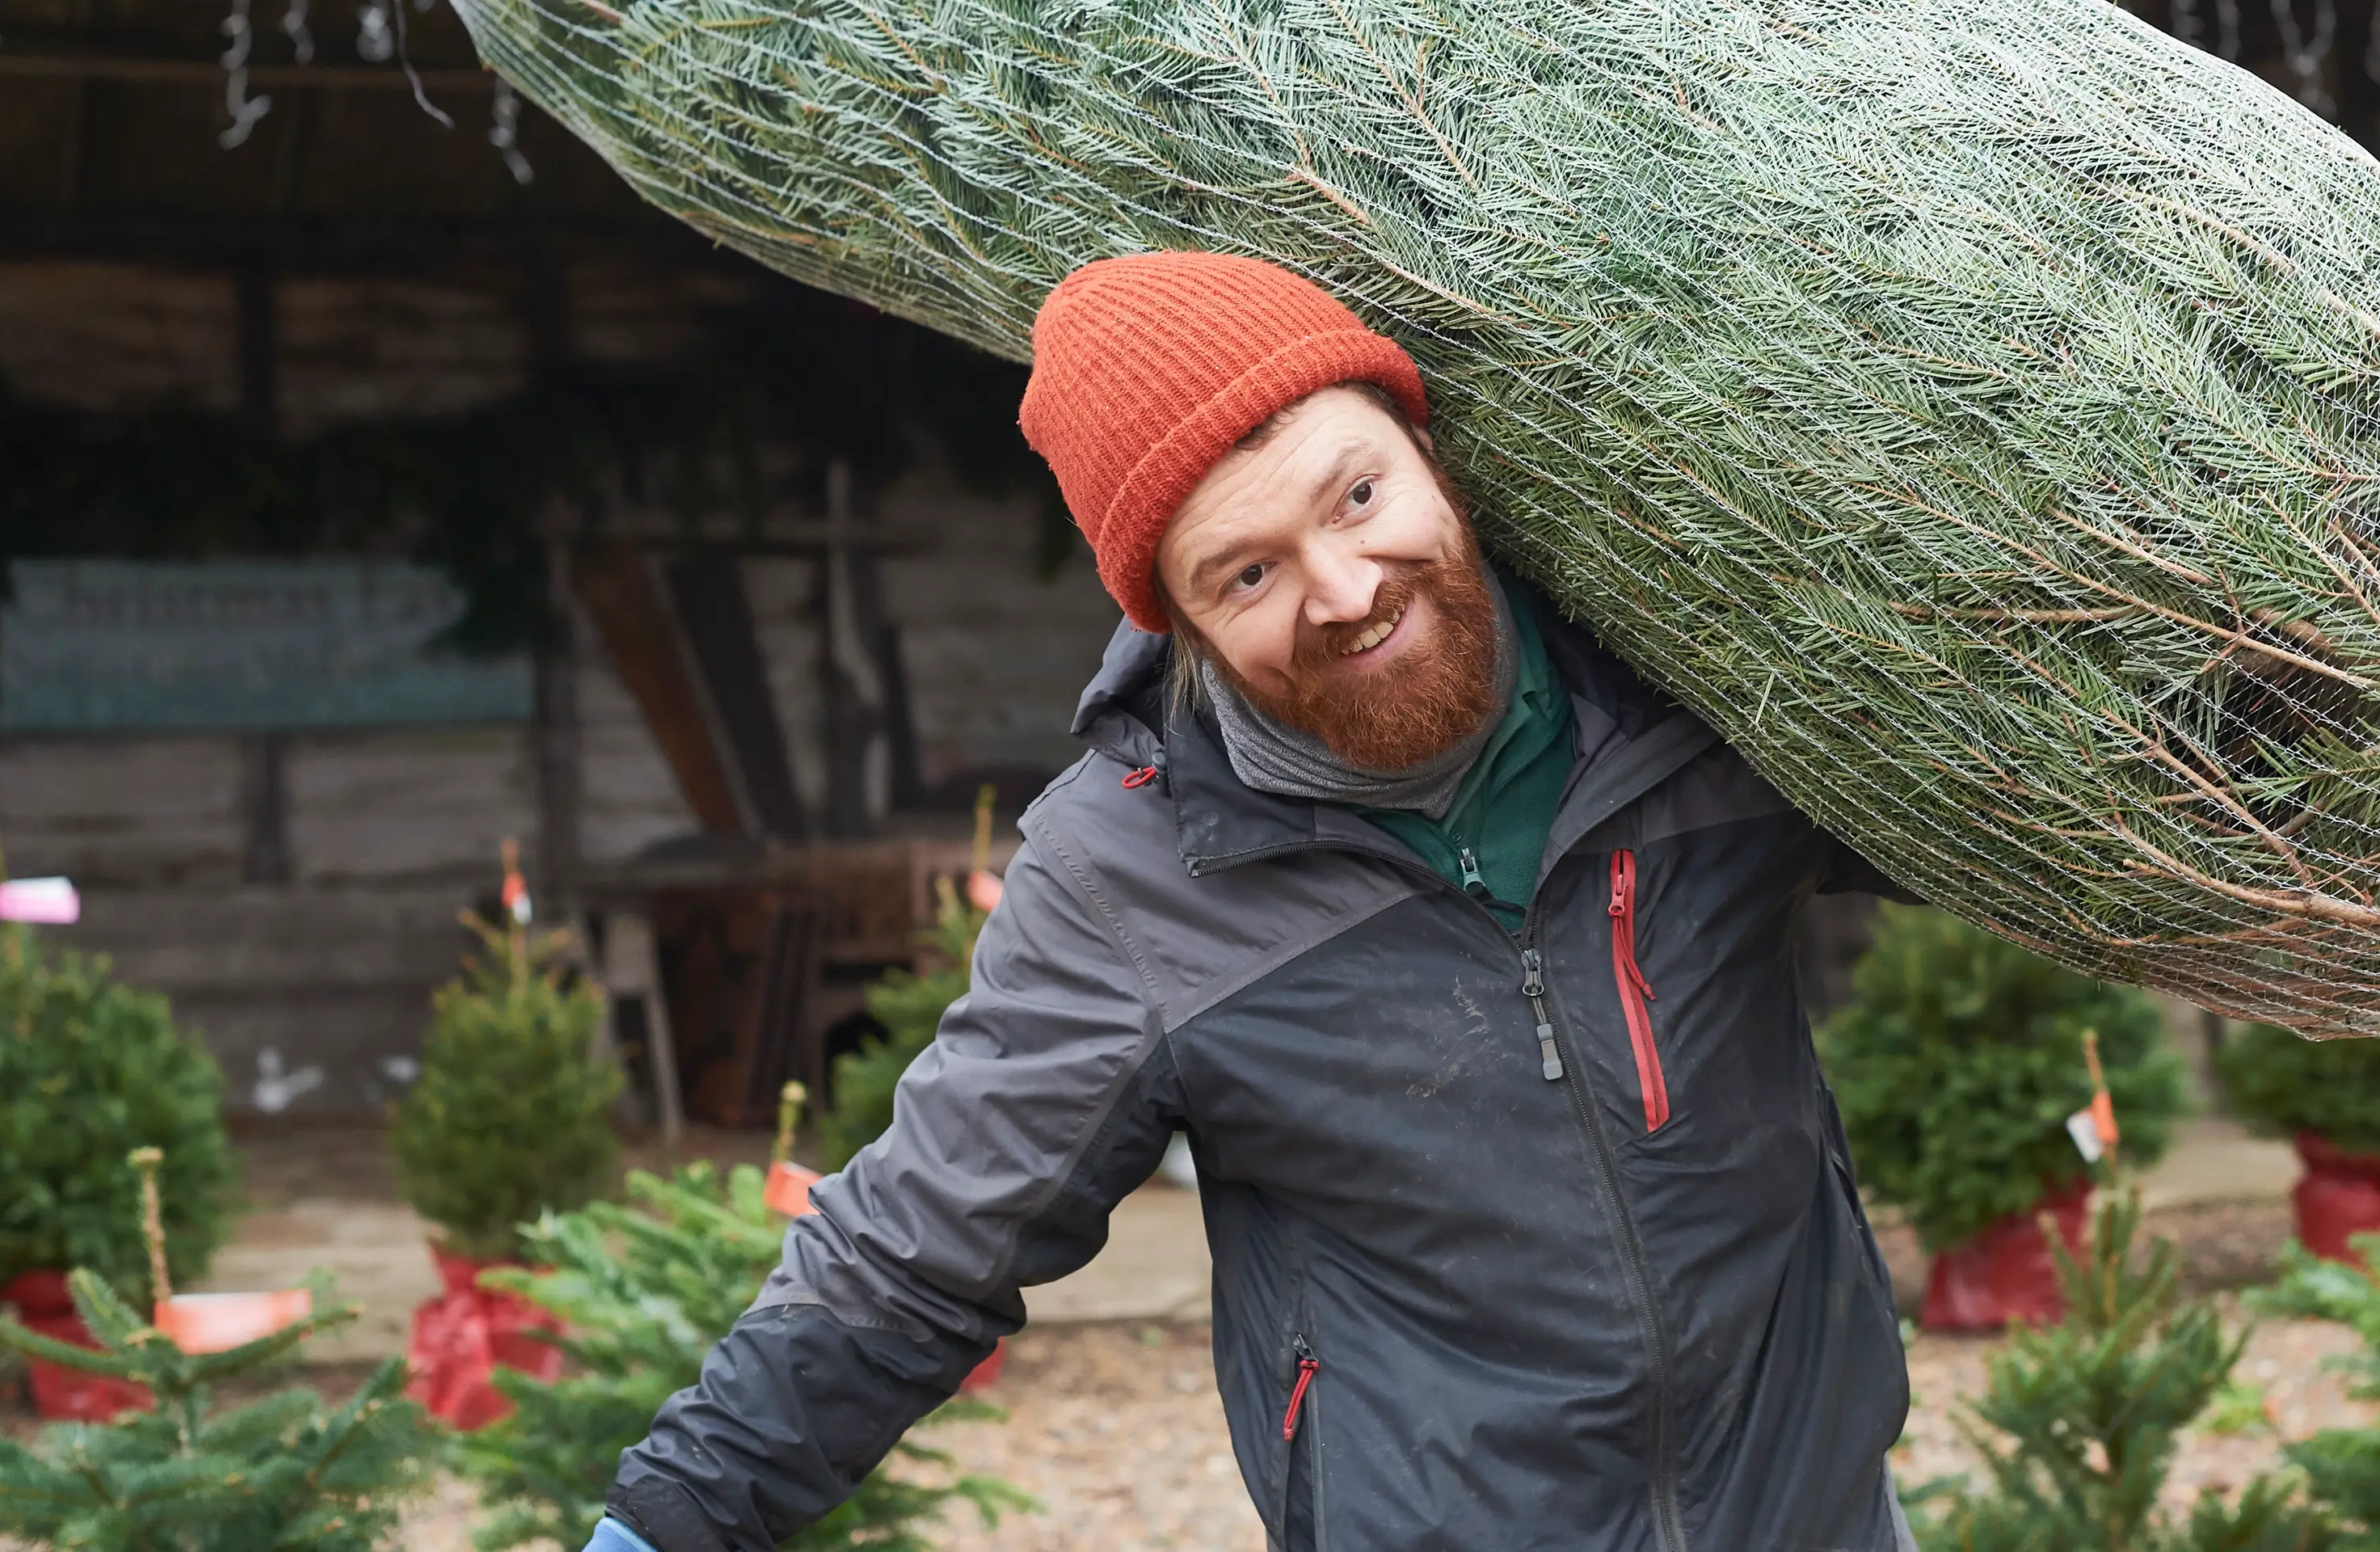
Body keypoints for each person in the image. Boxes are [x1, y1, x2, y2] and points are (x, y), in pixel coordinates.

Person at [589, 251, 1917, 1552]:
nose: (1346, 593)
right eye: (1249, 573)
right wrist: (661, 1529)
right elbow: (915, 1253)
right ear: (1178, 623)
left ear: (1422, 444)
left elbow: (2019, 817)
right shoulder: (1135, 877)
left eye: (1355, 495)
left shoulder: (1697, 691)